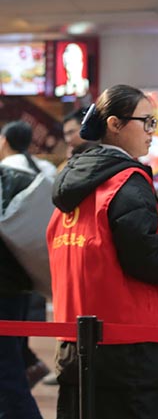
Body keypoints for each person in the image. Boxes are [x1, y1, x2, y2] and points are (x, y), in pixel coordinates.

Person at [48, 84, 158, 419]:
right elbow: (144, 253)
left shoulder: (73, 186)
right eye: (146, 122)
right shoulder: (126, 181)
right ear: (114, 123)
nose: (151, 133)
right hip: (133, 348)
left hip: (76, 339)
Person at [0, 162, 45, 418]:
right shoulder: (12, 179)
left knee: (7, 375)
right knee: (9, 369)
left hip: (4, 290)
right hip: (17, 285)